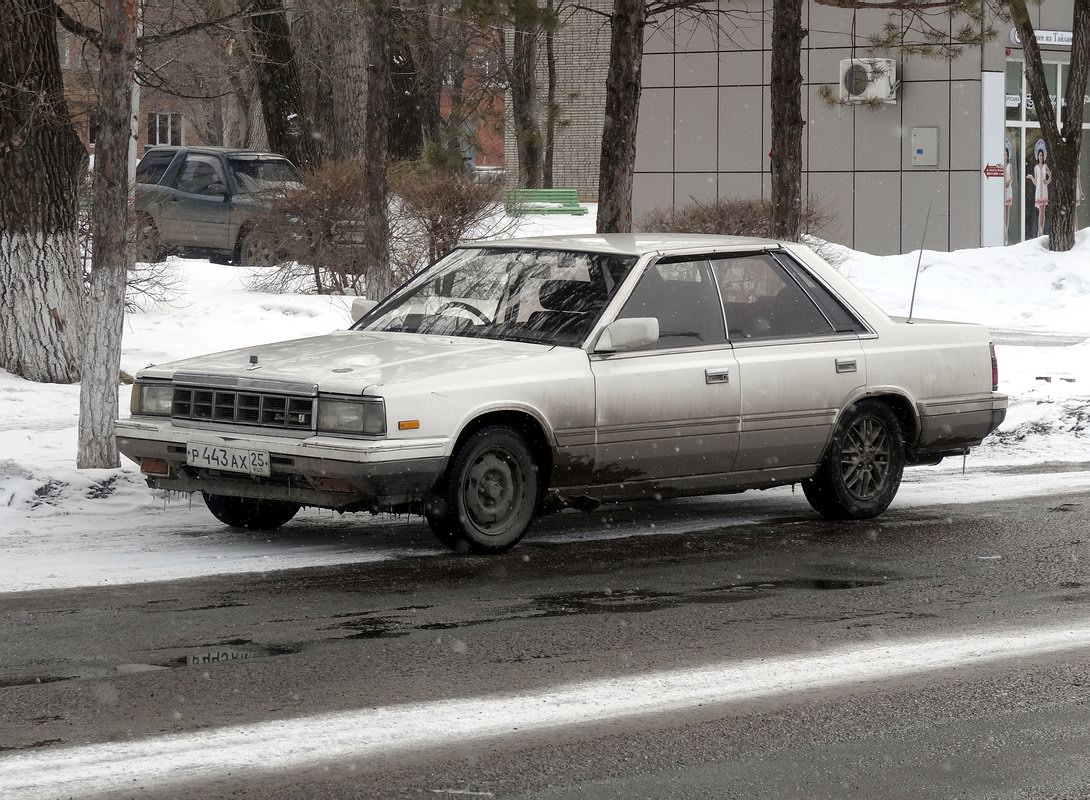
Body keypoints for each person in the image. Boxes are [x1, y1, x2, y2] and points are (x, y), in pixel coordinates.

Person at [1027, 140, 1051, 238]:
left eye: (1042, 155)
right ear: (1037, 156)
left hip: (1044, 190)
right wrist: (1032, 177)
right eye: (1039, 155)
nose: (1041, 157)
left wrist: (1047, 181)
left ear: (1043, 156)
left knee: (1043, 211)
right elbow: (1036, 182)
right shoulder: (1036, 167)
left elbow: (1050, 175)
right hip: (1038, 192)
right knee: (1040, 212)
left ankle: (1041, 230)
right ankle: (1039, 231)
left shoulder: (1045, 166)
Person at [1003, 141, 1013, 245]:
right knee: (1003, 212)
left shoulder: (1009, 165)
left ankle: (1006, 230)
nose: (1005, 156)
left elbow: (1011, 178)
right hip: (1002, 191)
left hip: (1008, 189)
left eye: (1006, 155)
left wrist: (1008, 182)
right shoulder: (1001, 166)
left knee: (1007, 212)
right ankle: (1004, 233)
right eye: (1004, 155)